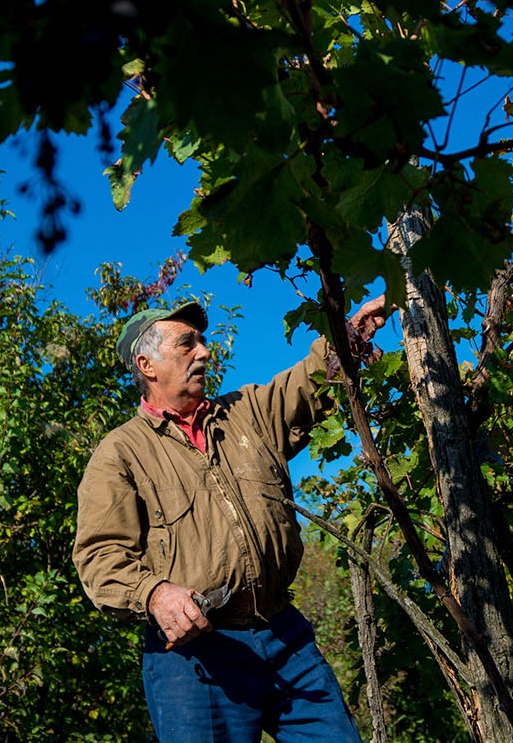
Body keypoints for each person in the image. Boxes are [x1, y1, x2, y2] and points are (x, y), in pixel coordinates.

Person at [74, 295, 391, 742]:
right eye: (187, 344)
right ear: (147, 364)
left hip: (285, 635)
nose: (204, 351)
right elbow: (99, 555)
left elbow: (312, 381)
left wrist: (352, 331)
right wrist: (153, 594)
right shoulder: (120, 454)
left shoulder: (247, 414)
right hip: (195, 661)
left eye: (202, 341)